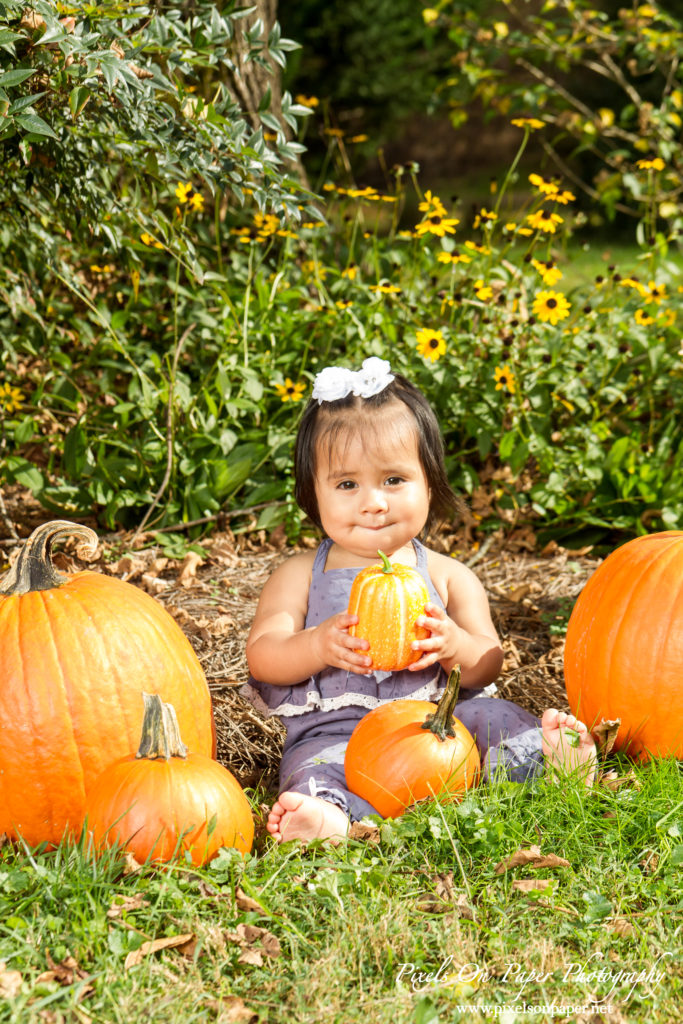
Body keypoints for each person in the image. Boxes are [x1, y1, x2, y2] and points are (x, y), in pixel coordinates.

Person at [243, 358, 596, 843]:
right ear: (313, 493)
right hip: (340, 730)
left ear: (428, 482)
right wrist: (315, 646)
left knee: (494, 719)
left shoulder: (450, 576)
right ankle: (327, 816)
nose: (374, 502)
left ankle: (548, 762)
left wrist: (454, 646)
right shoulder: (301, 574)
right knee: (315, 764)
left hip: (439, 718)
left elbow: (487, 663)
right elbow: (263, 656)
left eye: (394, 480)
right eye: (347, 484)